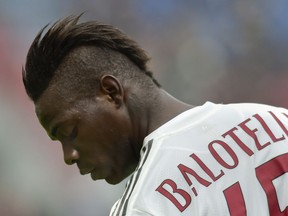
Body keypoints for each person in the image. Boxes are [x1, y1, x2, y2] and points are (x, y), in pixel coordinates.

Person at [22, 14, 288, 216]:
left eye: (69, 133)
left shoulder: (146, 205)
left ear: (111, 92)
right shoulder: (275, 121)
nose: (70, 156)